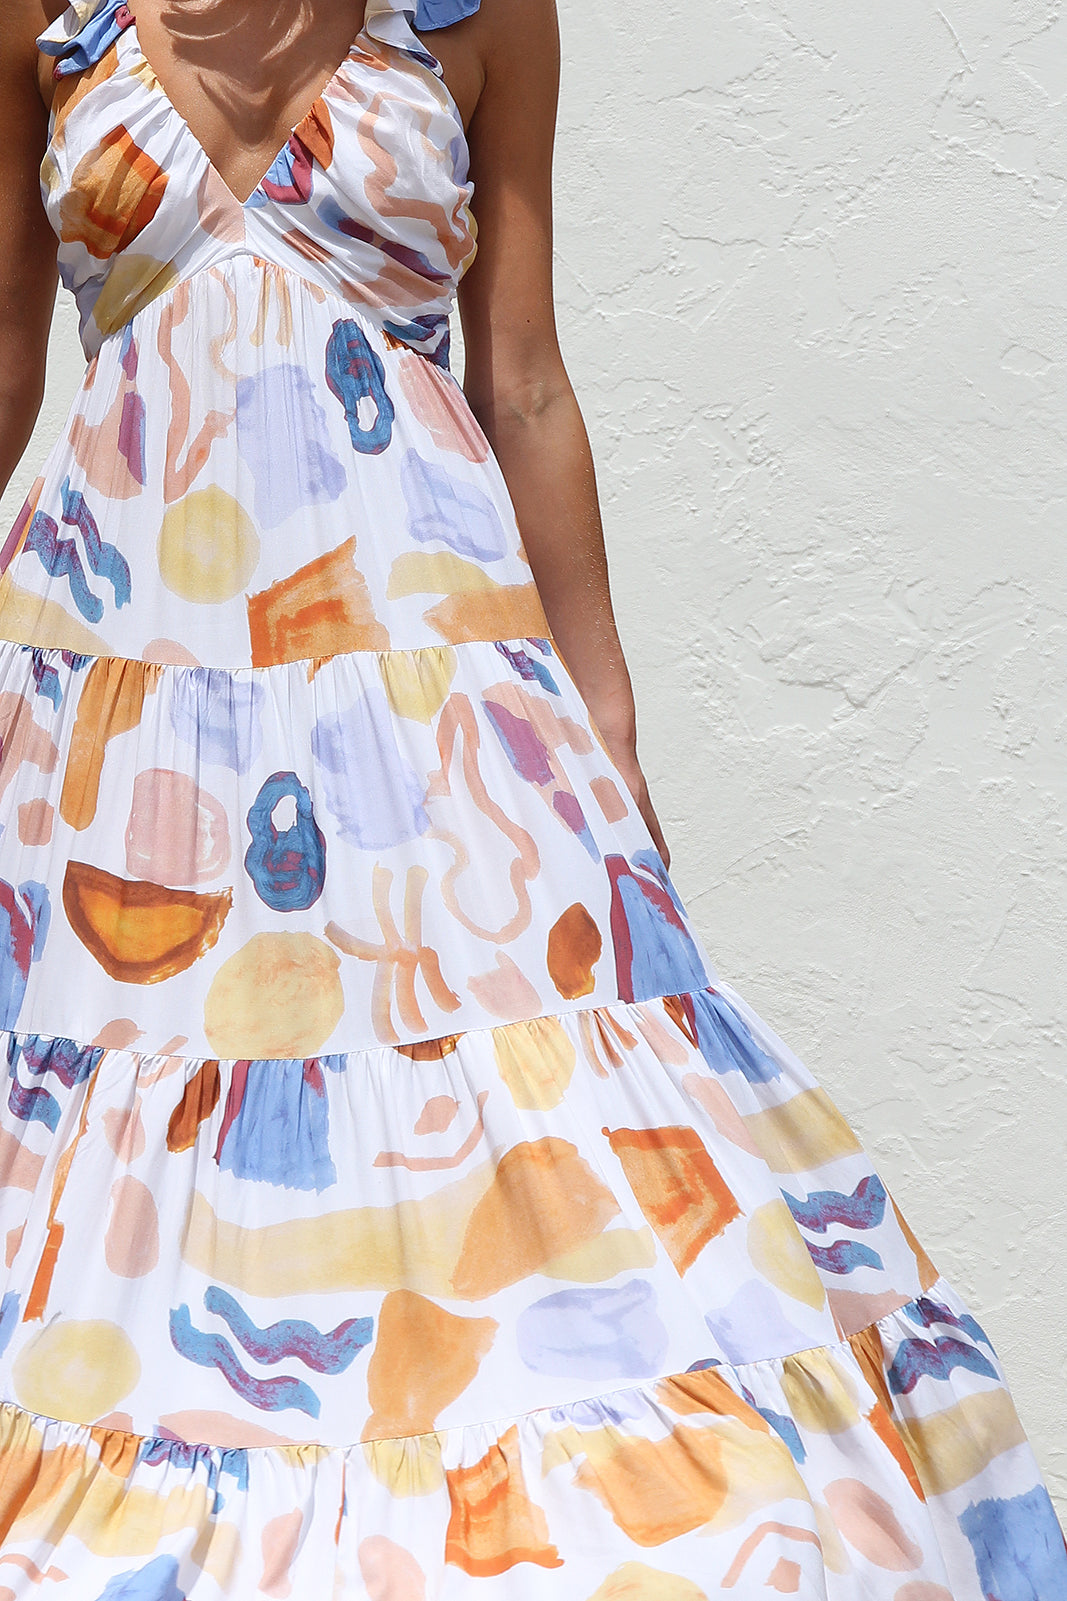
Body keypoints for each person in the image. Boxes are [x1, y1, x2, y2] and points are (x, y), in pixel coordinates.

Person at [0, 0, 1060, 1594]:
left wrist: (606, 708)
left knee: (552, 1089)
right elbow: (7, 358)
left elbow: (527, 382)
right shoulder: (44, 17)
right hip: (115, 692)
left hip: (438, 692)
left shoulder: (481, 15)